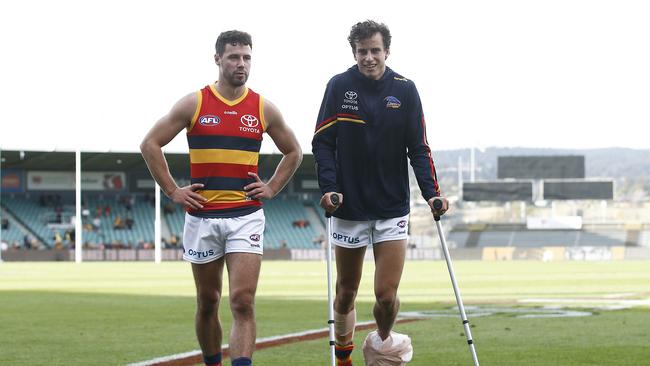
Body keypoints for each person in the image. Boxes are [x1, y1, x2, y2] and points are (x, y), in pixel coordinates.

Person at [140, 30, 302, 366]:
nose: (241, 64)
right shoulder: (194, 103)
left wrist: (272, 186)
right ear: (217, 59)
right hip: (202, 218)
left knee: (243, 301)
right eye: (233, 57)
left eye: (246, 58)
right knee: (208, 301)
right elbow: (150, 144)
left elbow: (294, 151)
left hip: (246, 216)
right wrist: (172, 189)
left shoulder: (262, 107)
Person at [312, 20, 449, 365]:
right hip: (349, 208)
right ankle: (344, 358)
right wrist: (329, 188)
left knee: (386, 296)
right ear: (354, 52)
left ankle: (382, 343)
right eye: (362, 51)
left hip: (391, 208)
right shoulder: (339, 86)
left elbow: (418, 148)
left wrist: (432, 193)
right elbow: (323, 143)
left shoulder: (405, 90)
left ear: (387, 51)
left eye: (375, 50)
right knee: (346, 293)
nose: (369, 57)